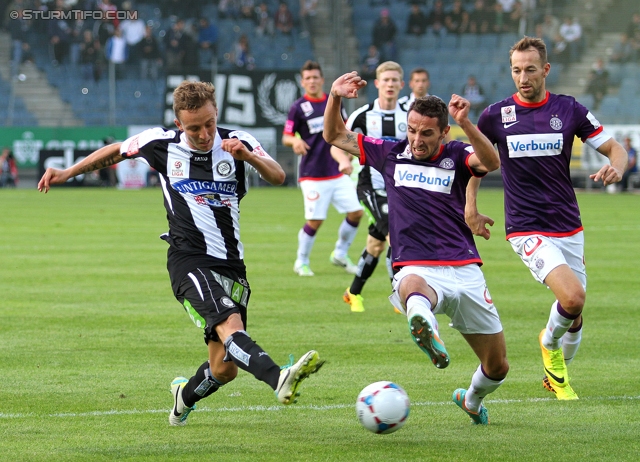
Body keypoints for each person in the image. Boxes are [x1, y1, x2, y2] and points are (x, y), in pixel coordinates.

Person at [38, 80, 325, 426]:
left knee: (223, 369)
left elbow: (279, 176)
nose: (204, 134)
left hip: (232, 264)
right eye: (193, 128)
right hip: (188, 260)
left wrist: (248, 157)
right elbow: (117, 151)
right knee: (230, 326)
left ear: (216, 113)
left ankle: (183, 397)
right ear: (178, 124)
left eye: (209, 124)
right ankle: (278, 376)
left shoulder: (239, 142)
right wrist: (68, 172)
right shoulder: (160, 144)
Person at [324, 71, 508, 425]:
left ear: (443, 132)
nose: (416, 140)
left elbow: (491, 163)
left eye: (426, 133)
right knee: (411, 285)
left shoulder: (457, 153)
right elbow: (333, 134)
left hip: (465, 269)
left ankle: (471, 399)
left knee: (497, 366)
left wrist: (467, 124)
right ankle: (421, 320)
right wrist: (335, 97)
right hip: (416, 264)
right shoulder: (390, 153)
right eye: (411, 130)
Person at [467, 36, 628, 401]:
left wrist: (616, 168)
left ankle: (553, 360)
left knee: (577, 310)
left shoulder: (570, 110)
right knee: (571, 299)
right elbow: (476, 164)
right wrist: (470, 208)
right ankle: (549, 344)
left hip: (568, 224)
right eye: (516, 70)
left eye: (530, 70)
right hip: (525, 226)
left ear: (545, 70)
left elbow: (615, 149)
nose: (523, 77)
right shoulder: (495, 115)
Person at [282, 61, 363, 277]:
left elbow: (344, 130)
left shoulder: (332, 101)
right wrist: (294, 142)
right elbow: (286, 136)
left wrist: (346, 155)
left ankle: (340, 253)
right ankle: (302, 261)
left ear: (322, 79)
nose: (312, 81)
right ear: (302, 82)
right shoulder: (298, 107)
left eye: (315, 77)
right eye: (307, 78)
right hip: (312, 174)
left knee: (356, 212)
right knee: (315, 220)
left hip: (336, 170)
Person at [342, 61, 407, 313]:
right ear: (378, 83)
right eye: (386, 80)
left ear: (401, 85)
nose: (390, 84)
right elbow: (338, 140)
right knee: (396, 234)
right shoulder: (362, 115)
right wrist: (343, 161)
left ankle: (353, 292)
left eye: (395, 80)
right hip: (371, 185)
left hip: (400, 189)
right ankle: (401, 294)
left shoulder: (409, 113)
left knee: (375, 245)